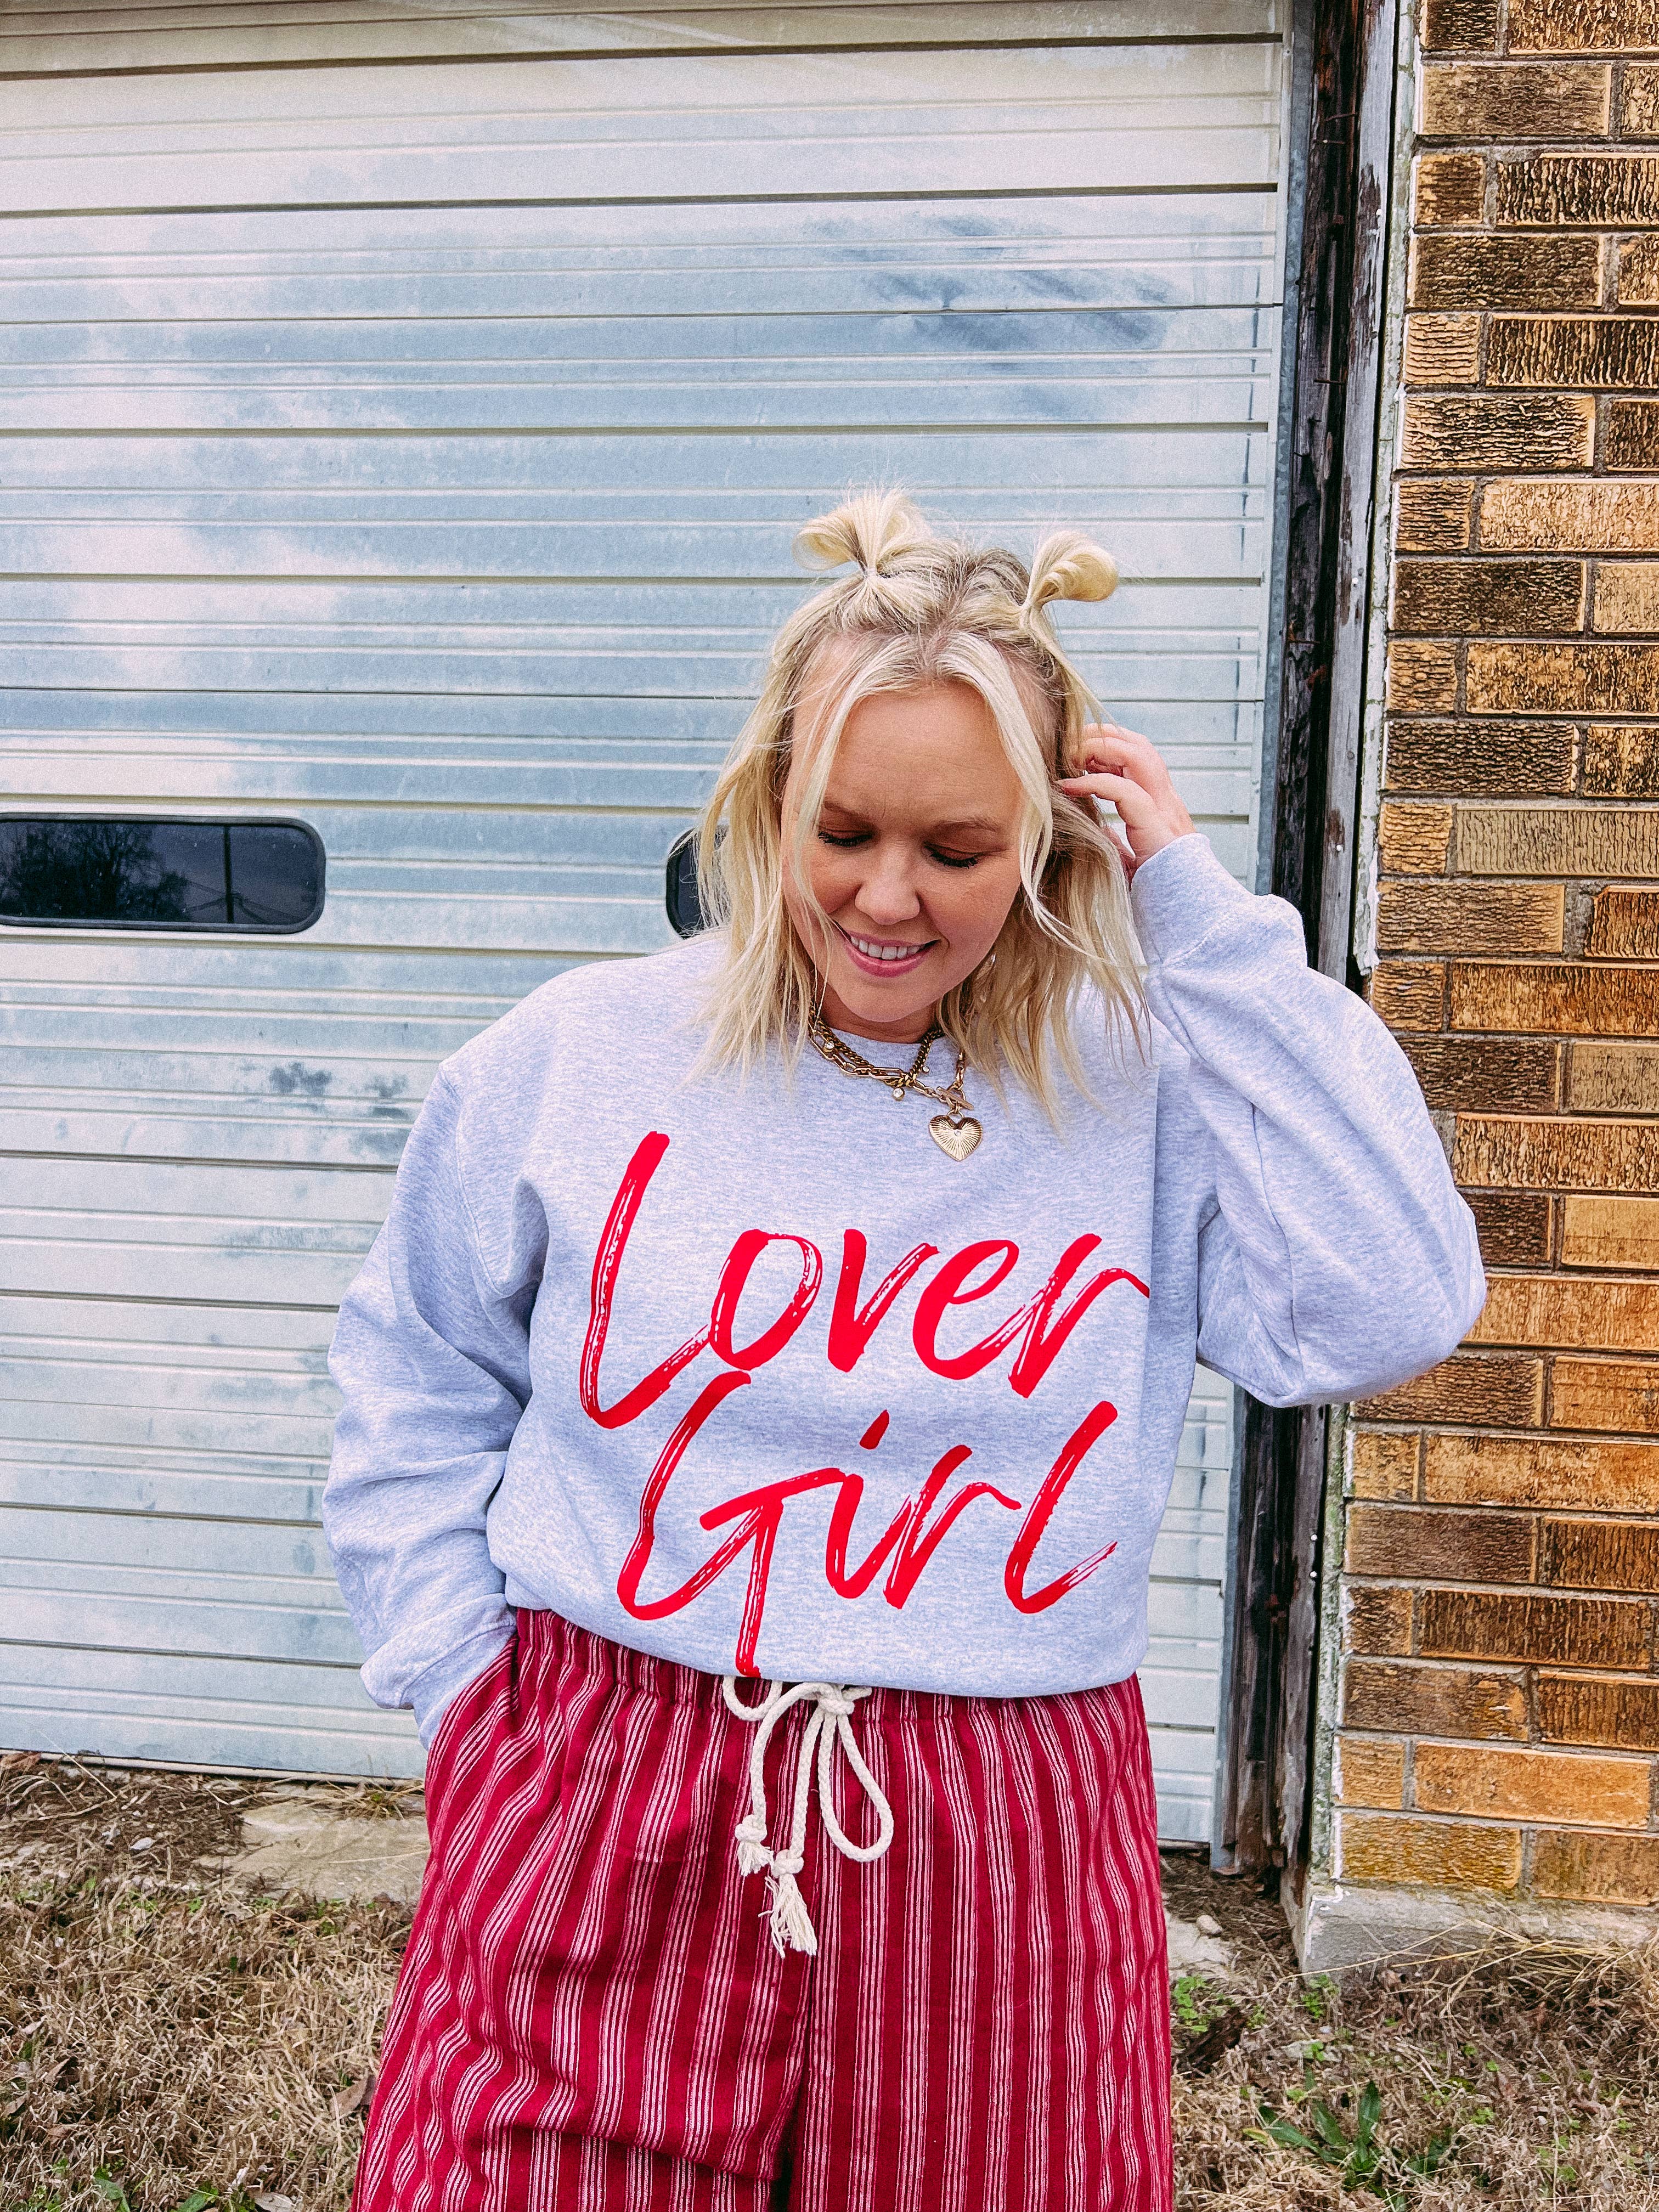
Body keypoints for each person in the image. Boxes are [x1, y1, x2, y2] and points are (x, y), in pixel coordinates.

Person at [323, 492, 1485, 2212]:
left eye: (956, 847)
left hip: (1002, 1823)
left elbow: (1388, 1304)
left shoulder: (1142, 1085)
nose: (888, 895)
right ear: (769, 799)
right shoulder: (578, 1057)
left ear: (1049, 842)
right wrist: (461, 1697)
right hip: (606, 1780)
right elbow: (417, 1373)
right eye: (844, 830)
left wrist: (1204, 926)